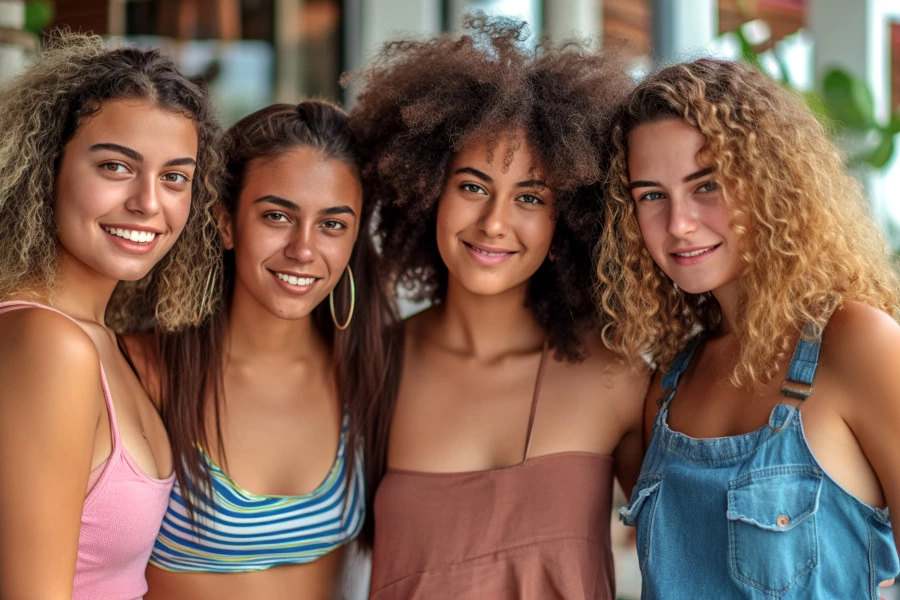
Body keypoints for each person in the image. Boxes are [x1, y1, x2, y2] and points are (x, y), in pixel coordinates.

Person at [348, 16, 648, 599]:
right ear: (428, 188)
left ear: (570, 216)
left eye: (530, 197)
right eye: (472, 186)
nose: (494, 223)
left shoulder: (616, 372)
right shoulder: (373, 362)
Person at [597, 58, 900, 598]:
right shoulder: (670, 384)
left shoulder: (857, 343)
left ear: (769, 181)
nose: (679, 223)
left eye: (706, 185)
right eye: (651, 195)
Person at [124, 100, 398, 600]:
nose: (304, 250)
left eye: (333, 224)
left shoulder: (367, 374)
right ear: (226, 222)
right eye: (277, 216)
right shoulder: (143, 371)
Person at [0, 32, 221, 599]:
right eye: (117, 167)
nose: (149, 203)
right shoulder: (47, 343)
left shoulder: (100, 336)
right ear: (45, 165)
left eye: (175, 177)